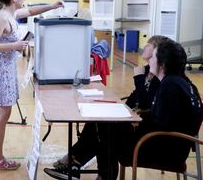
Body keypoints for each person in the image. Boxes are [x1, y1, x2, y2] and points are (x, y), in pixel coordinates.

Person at [44, 40, 202, 180]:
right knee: (106, 124)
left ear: (162, 64)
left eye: (153, 57)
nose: (149, 62)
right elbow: (161, 118)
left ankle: (80, 167)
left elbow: (162, 124)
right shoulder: (181, 82)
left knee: (105, 128)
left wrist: (131, 121)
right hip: (168, 144)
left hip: (164, 150)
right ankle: (80, 168)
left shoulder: (170, 86)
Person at [0, 0, 64, 170]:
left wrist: (52, 6)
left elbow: (31, 11)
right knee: (3, 114)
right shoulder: (2, 18)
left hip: (5, 67)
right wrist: (14, 46)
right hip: (1, 69)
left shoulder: (11, 13)